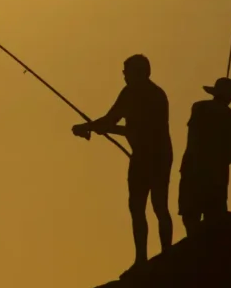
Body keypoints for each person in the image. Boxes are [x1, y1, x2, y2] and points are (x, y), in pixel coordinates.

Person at [72, 54, 174, 270]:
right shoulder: (135, 93)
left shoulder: (152, 96)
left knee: (157, 205)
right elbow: (112, 119)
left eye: (127, 72)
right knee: (137, 206)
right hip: (146, 156)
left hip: (156, 157)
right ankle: (143, 259)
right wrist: (92, 126)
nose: (124, 76)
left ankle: (165, 255)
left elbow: (132, 128)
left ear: (140, 72)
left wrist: (93, 127)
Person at [178, 77, 231, 237]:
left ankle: (194, 247)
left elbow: (192, 138)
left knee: (190, 216)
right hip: (217, 176)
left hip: (193, 170)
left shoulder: (199, 107)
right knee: (213, 219)